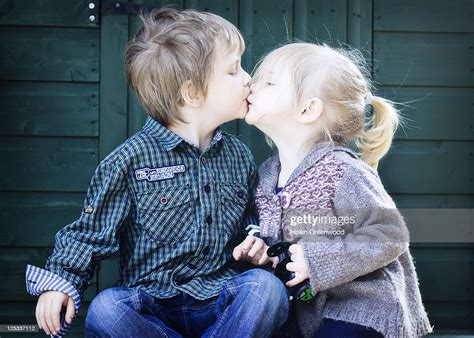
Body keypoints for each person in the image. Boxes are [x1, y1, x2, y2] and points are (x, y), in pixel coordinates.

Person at [26, 8, 288, 338]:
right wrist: (59, 282)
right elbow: (89, 233)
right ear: (192, 93)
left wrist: (256, 243)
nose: (248, 78)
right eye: (234, 70)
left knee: (265, 288)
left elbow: (253, 219)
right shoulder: (130, 161)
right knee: (106, 310)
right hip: (152, 305)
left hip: (220, 300)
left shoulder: (238, 155)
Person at [233, 42, 433, 337]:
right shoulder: (265, 176)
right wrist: (261, 248)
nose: (252, 85)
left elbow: (389, 233)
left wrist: (316, 259)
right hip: (307, 314)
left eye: (269, 82)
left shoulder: (342, 171)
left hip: (363, 310)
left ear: (308, 109)